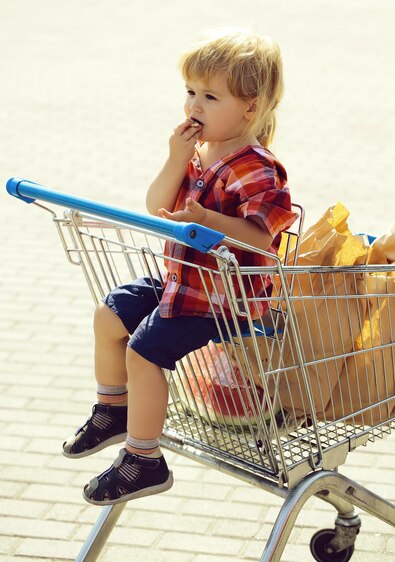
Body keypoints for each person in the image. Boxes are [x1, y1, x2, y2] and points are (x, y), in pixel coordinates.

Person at [62, 30, 297, 505]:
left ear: (250, 108)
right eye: (191, 92)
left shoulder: (256, 168)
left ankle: (144, 460)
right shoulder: (198, 153)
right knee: (110, 314)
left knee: (145, 351)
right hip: (187, 286)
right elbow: (156, 204)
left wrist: (208, 219)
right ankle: (113, 412)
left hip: (228, 299)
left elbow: (260, 237)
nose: (195, 105)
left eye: (211, 96)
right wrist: (175, 158)